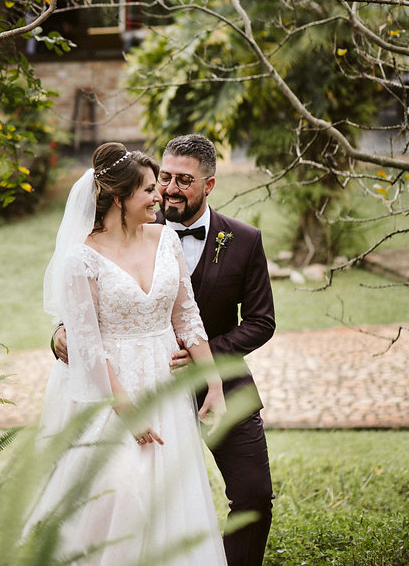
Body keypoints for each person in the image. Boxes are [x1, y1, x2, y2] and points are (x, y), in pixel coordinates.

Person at [55, 134, 276, 566]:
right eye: (162, 180)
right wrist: (61, 334)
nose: (168, 190)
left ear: (208, 185)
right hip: (127, 384)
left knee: (252, 496)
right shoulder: (87, 252)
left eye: (182, 181)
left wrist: (204, 362)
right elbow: (81, 319)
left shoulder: (243, 240)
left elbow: (258, 321)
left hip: (212, 378)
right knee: (124, 499)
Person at [26, 142, 228, 565]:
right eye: (149, 190)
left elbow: (186, 315)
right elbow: (87, 346)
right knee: (116, 493)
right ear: (119, 198)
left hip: (164, 384)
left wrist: (212, 382)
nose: (160, 196)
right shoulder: (81, 259)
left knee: (167, 497)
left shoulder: (166, 239)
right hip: (109, 391)